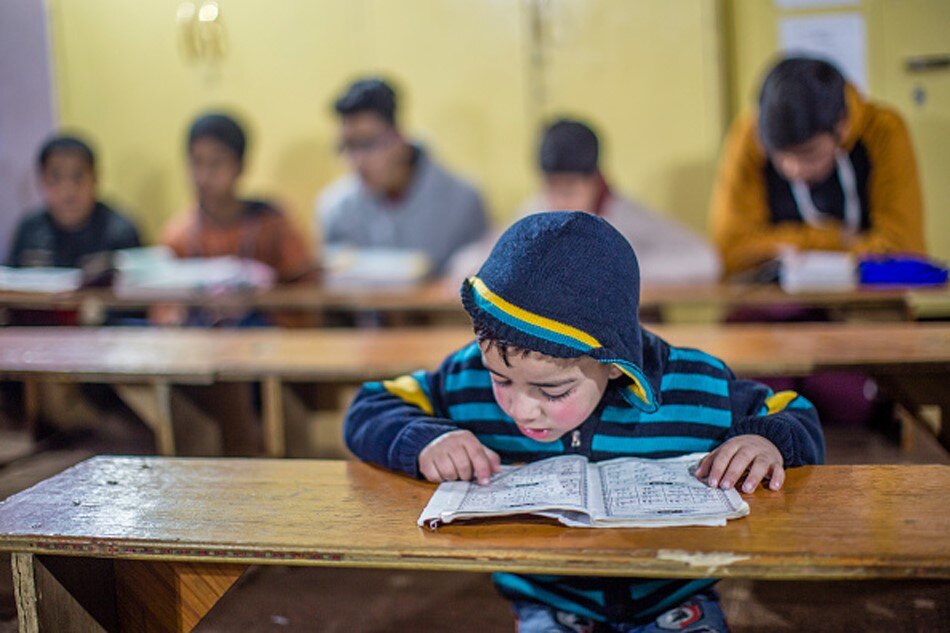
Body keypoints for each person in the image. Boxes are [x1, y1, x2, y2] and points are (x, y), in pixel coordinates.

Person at [344, 211, 824, 632]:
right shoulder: (465, 374)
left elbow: (790, 407)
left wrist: (766, 441)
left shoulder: (696, 384)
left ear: (616, 364)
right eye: (502, 381)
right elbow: (371, 403)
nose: (522, 408)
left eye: (553, 391)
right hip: (547, 601)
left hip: (674, 597)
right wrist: (426, 439)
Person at [156, 112, 316, 455]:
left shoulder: (272, 223)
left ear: (241, 167)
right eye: (196, 163)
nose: (204, 176)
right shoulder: (179, 233)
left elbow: (306, 293)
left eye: (217, 164)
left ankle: (265, 448)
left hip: (265, 352)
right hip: (203, 354)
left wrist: (259, 300)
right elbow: (163, 307)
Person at [710, 56, 926, 278]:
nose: (793, 168)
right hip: (776, 300)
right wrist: (837, 239)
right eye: (779, 155)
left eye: (808, 153)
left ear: (842, 124)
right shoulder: (749, 135)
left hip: (867, 296)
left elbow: (904, 253)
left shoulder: (884, 130)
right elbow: (729, 251)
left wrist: (779, 247)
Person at [446, 118, 720, 287]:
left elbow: (705, 260)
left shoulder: (626, 216)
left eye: (571, 188)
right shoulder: (536, 211)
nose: (560, 201)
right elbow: (465, 266)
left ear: (595, 181)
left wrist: (621, 270)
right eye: (553, 187)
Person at [315, 78, 489, 276]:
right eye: (346, 147)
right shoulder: (336, 209)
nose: (356, 161)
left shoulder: (462, 201)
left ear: (399, 138)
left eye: (367, 144)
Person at [7, 134, 141, 272]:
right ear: (42, 181)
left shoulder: (120, 231)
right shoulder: (29, 230)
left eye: (78, 177)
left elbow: (138, 285)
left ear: (95, 178)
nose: (68, 191)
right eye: (56, 178)